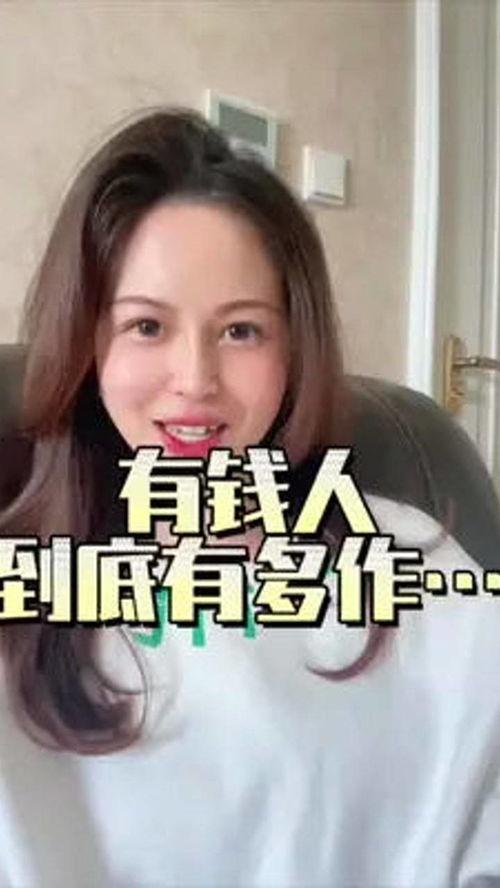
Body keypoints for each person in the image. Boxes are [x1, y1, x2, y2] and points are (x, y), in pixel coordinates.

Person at [0, 107, 498, 887]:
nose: (195, 380)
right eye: (146, 326)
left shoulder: (414, 564)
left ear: (294, 348)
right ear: (87, 346)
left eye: (241, 332)